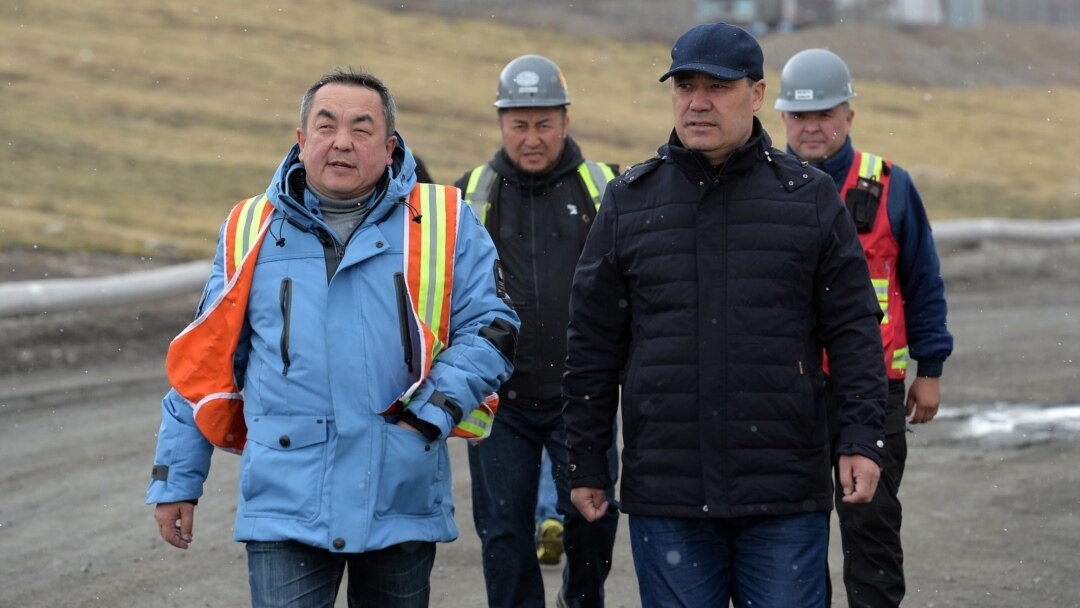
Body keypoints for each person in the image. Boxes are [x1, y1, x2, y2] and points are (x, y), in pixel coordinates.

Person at [146, 67, 519, 608]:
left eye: (362, 129)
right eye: (327, 126)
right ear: (302, 140)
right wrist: (176, 480)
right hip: (285, 502)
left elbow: (493, 327)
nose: (342, 142)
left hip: (400, 490)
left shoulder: (445, 219)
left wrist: (433, 410)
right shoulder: (250, 227)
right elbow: (207, 357)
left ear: (390, 147)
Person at [562, 23, 889, 608]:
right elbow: (592, 343)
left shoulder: (808, 199)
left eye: (717, 86)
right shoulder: (629, 201)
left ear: (758, 94)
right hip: (669, 496)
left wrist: (862, 436)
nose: (698, 101)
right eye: (685, 85)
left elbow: (854, 329)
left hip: (783, 493)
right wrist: (586, 458)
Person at [776, 48, 954, 607]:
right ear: (781, 118)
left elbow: (922, 280)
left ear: (848, 115)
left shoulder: (890, 186)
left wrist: (931, 368)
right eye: (800, 116)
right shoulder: (760, 187)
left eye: (825, 113)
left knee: (871, 526)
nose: (812, 127)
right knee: (792, 536)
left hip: (871, 388)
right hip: (788, 392)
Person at [454, 54, 620, 608]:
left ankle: (582, 601)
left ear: (566, 122)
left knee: (592, 522)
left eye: (544, 123)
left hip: (583, 399)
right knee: (503, 533)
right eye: (519, 123)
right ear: (501, 123)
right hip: (500, 401)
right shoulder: (469, 197)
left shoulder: (605, 190)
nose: (532, 137)